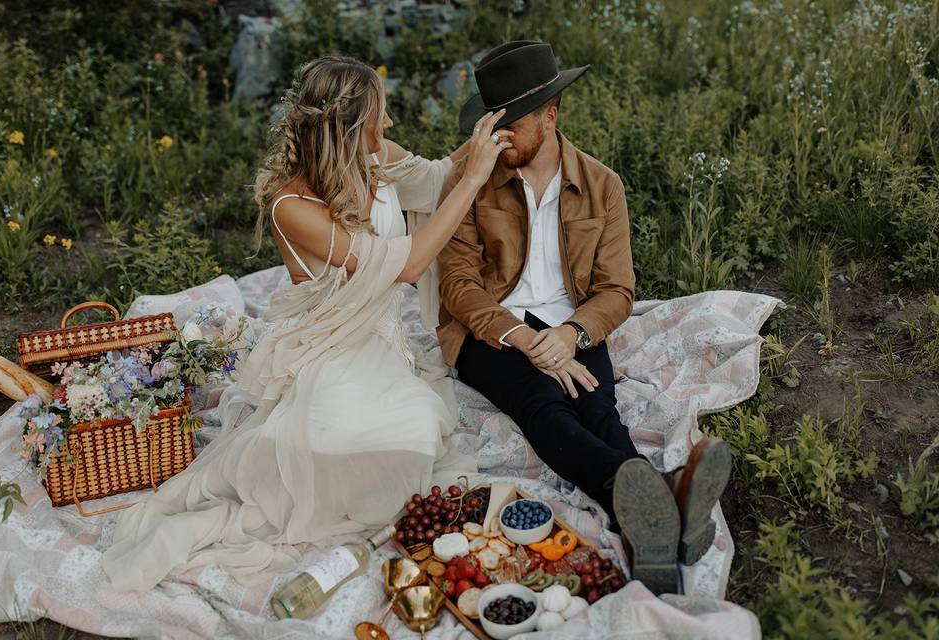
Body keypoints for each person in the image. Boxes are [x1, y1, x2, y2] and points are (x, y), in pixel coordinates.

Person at [102, 55, 514, 592]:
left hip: (380, 341)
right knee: (322, 450)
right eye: (378, 115)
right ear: (348, 125)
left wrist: (487, 138)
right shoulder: (290, 205)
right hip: (328, 347)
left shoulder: (379, 160)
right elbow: (407, 264)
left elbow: (438, 180)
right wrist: (476, 174)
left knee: (411, 438)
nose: (388, 126)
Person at [435, 41, 732, 595]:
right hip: (492, 329)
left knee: (599, 407)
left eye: (512, 126)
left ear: (551, 115)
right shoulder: (469, 177)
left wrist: (570, 334)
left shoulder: (602, 184)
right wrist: (523, 337)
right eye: (492, 126)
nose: (499, 141)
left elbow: (617, 289)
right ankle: (660, 501)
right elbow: (457, 286)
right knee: (540, 401)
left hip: (572, 321)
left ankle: (649, 530)